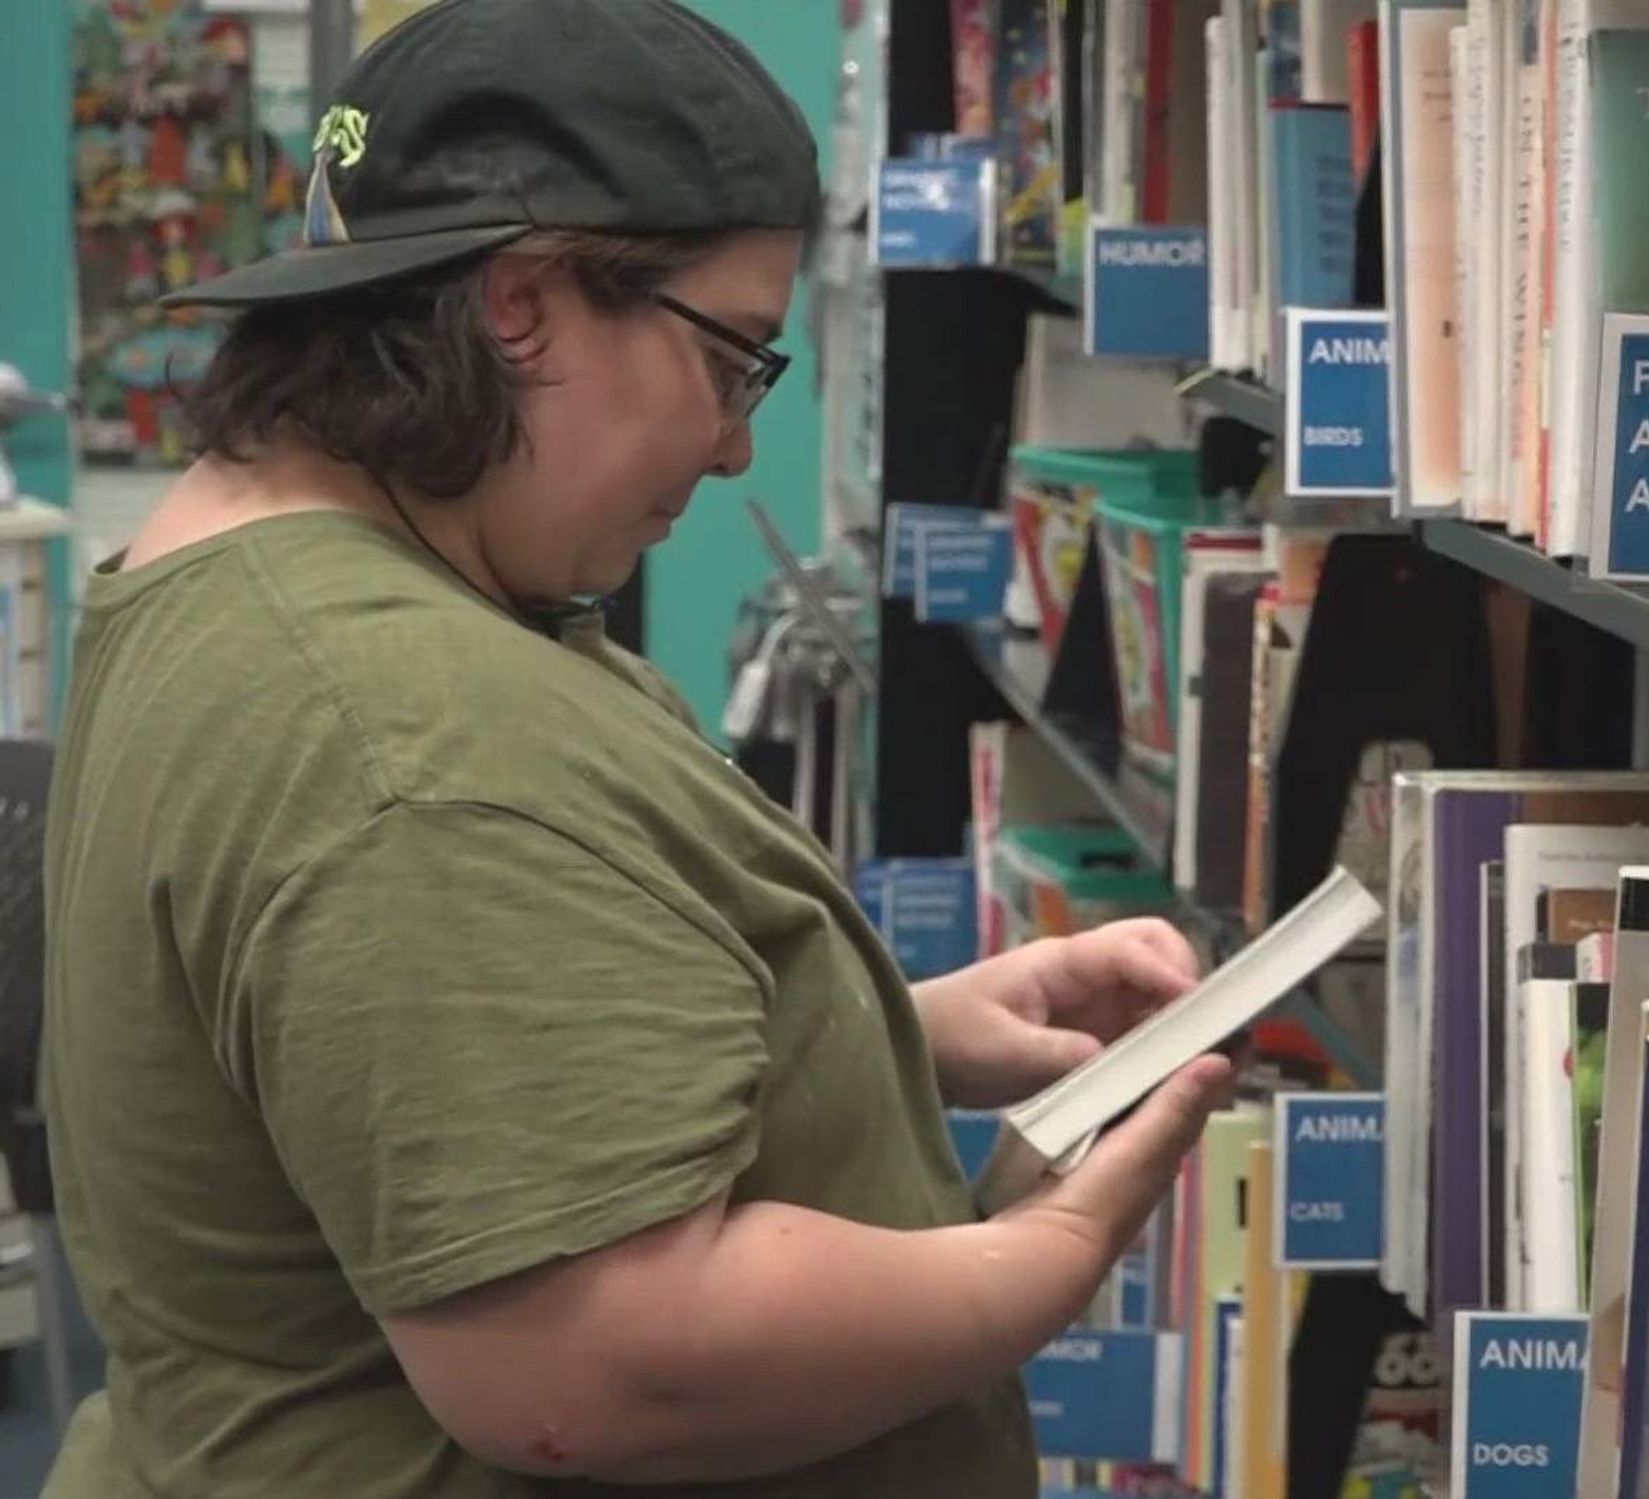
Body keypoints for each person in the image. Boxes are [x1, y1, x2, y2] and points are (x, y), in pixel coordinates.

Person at [37, 2, 1233, 1497]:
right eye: (735, 359)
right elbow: (606, 1368)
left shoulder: (245, 579)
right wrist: (1046, 1252)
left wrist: (873, 1024)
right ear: (521, 303)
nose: (737, 444)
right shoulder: (405, 735)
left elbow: (420, 1060)